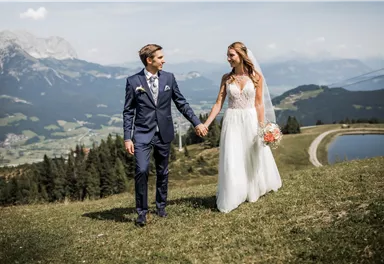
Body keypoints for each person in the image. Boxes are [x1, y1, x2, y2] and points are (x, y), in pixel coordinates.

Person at [123, 44, 208, 226]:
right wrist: (127, 137)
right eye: (160, 57)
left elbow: (181, 102)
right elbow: (128, 111)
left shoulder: (169, 77)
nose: (164, 60)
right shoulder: (133, 81)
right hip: (142, 134)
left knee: (162, 171)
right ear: (149, 60)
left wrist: (197, 122)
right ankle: (142, 212)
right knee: (142, 170)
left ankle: (161, 207)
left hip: (164, 132)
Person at [203, 41, 282, 213]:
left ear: (241, 56)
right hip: (232, 120)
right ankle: (234, 193)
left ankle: (253, 189)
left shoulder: (256, 77)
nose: (228, 59)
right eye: (228, 55)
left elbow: (260, 104)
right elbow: (218, 104)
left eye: (231, 55)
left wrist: (262, 127)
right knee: (233, 156)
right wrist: (206, 124)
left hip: (250, 119)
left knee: (252, 154)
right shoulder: (226, 78)